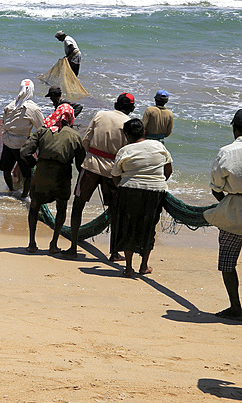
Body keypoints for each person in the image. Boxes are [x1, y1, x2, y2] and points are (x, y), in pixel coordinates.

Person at [65, 92, 134, 259]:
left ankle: (73, 247)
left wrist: (93, 155)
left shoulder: (100, 115)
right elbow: (127, 151)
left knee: (78, 205)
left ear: (117, 104)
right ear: (131, 108)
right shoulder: (129, 123)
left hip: (90, 166)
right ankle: (115, 252)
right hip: (113, 171)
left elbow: (86, 141)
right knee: (115, 210)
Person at [110, 118, 173, 278]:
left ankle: (129, 268)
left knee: (128, 227)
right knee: (149, 227)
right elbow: (168, 169)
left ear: (126, 135)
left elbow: (115, 176)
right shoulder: (159, 146)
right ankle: (144, 266)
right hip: (155, 192)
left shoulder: (125, 151)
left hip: (129, 191)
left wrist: (121, 186)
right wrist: (158, 182)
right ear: (144, 132)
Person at [20, 104, 85, 254]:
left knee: (34, 207)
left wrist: (34, 164)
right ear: (70, 118)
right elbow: (80, 165)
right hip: (62, 176)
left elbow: (24, 152)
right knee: (61, 208)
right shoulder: (75, 136)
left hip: (42, 173)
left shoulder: (43, 131)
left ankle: (31, 243)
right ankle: (53, 244)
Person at [204, 110, 242, 319]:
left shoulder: (227, 151)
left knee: (228, 262)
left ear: (234, 128)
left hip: (233, 210)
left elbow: (216, 186)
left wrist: (225, 204)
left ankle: (236, 307)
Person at [0, 79, 44, 198]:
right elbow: (41, 127)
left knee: (6, 169)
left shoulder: (10, 106)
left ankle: (11, 190)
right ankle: (24, 196)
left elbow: (4, 122)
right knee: (28, 174)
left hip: (7, 141)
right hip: (21, 144)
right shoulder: (33, 109)